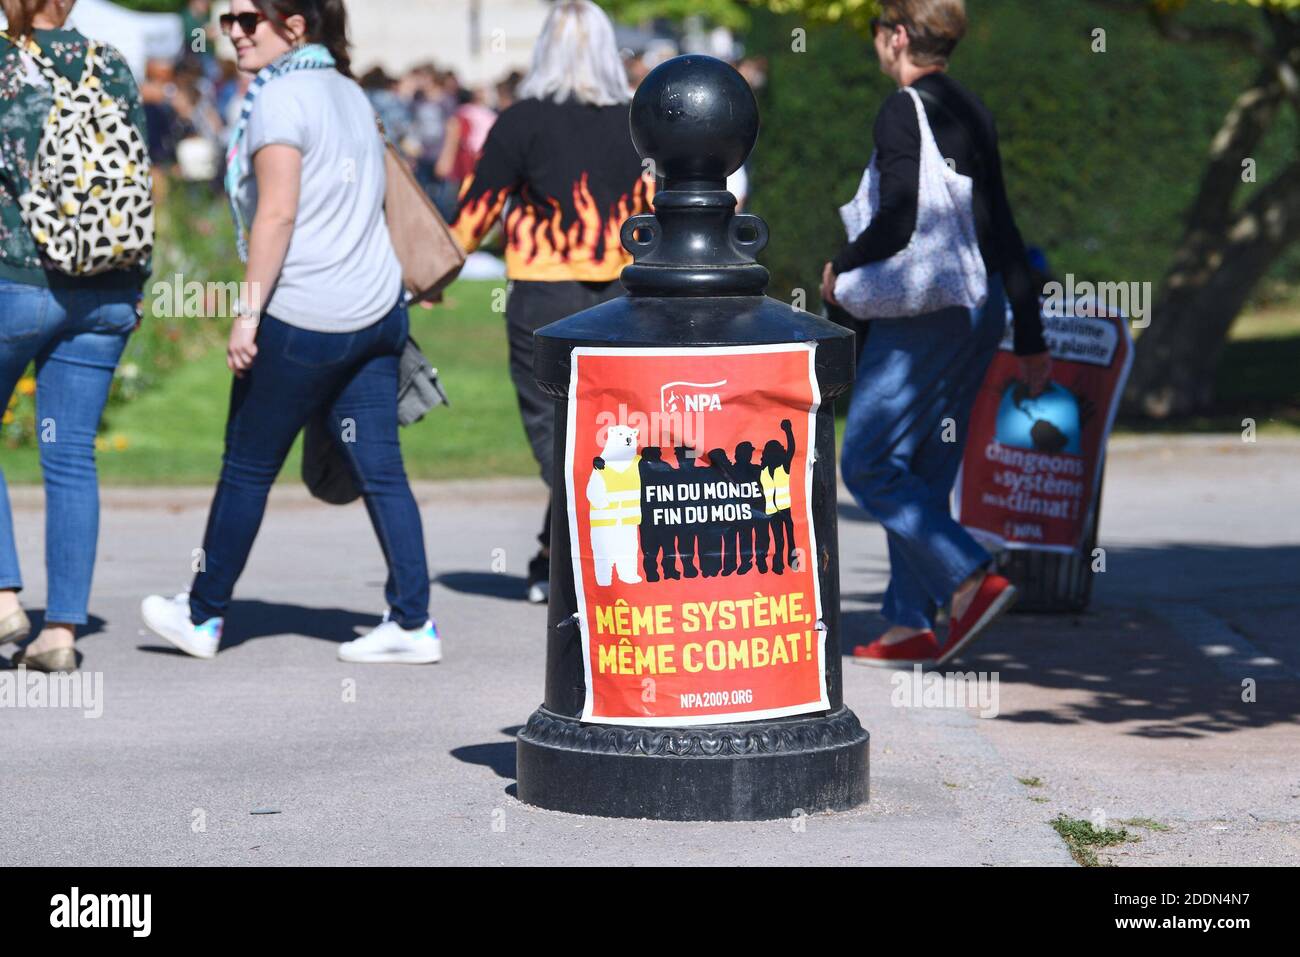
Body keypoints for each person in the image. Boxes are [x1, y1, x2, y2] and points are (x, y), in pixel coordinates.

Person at [140, 0, 438, 664]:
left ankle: (202, 615)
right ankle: (414, 622)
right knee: (383, 472)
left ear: (295, 24)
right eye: (228, 21)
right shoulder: (348, 91)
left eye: (250, 19)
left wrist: (247, 314)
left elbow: (275, 216)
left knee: (246, 467)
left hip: (305, 316)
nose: (235, 33)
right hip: (376, 312)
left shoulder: (279, 99)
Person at [822, 0, 1051, 668]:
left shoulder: (903, 109)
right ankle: (907, 622)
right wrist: (1029, 331)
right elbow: (1000, 222)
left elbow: (897, 215)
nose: (875, 47)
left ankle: (970, 574)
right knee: (920, 467)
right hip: (976, 311)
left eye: (876, 35)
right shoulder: (971, 107)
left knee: (866, 461)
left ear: (897, 37)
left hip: (923, 314)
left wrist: (843, 267)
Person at [449, 0, 653, 604]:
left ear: (544, 50)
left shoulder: (521, 121)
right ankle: (555, 556)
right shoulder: (638, 121)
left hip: (544, 293)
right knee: (611, 428)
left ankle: (576, 561)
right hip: (623, 292)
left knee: (555, 429)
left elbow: (473, 216)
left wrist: (429, 276)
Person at [0, 0, 152, 672]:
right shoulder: (111, 63)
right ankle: (60, 631)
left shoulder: (4, 62)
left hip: (18, 281)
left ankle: (4, 593)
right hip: (107, 288)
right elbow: (141, 175)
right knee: (70, 457)